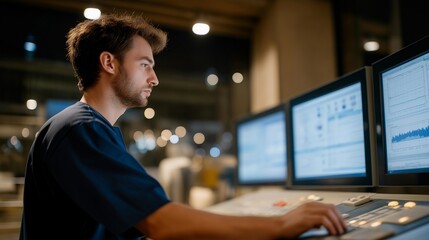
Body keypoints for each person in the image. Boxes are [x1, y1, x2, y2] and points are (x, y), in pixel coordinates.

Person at [19, 13, 347, 240]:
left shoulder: (85, 128)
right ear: (109, 63)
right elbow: (161, 223)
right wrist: (280, 225)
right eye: (145, 64)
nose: (154, 78)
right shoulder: (80, 129)